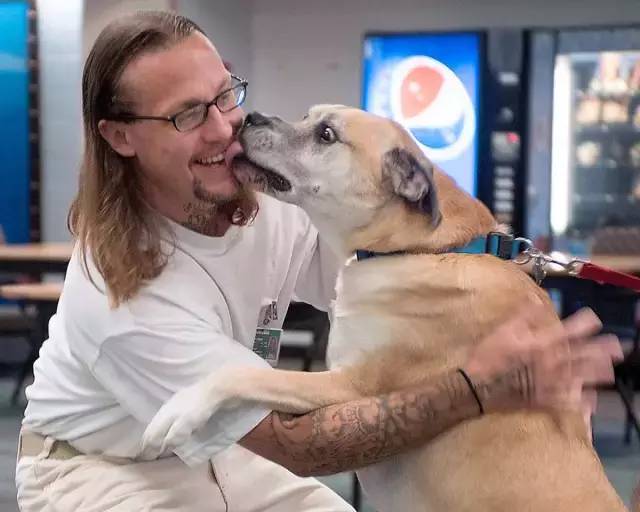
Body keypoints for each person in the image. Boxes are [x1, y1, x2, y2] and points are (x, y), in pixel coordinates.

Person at [15, 11, 621, 512]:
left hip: (222, 454)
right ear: (120, 137)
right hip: (99, 472)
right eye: (187, 114)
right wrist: (476, 388)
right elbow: (298, 443)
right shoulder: (120, 293)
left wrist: (509, 324)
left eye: (224, 94)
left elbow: (395, 280)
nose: (226, 126)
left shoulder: (261, 200)